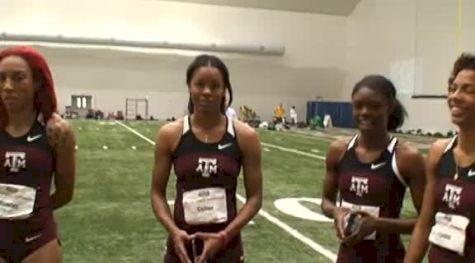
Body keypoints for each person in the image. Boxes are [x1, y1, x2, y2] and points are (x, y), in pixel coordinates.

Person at [151, 54, 263, 263]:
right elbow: (157, 193)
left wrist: (224, 236)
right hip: (182, 247)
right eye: (199, 84)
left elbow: (255, 198)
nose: (206, 92)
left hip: (227, 248)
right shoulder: (170, 134)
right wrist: (174, 232)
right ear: (189, 86)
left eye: (215, 85)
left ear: (224, 90)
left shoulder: (245, 137)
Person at [321, 75, 426, 263]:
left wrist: (378, 224)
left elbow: (426, 222)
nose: (364, 112)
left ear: (390, 107)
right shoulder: (338, 151)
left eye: (374, 106)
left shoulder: (407, 157)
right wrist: (336, 212)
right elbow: (326, 201)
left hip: (389, 257)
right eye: (358, 105)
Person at [0, 46, 76, 263]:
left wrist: (36, 211)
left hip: (38, 242)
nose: (7, 86)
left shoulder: (57, 131)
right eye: (1, 78)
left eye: (18, 78)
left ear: (37, 83)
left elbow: (65, 193)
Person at [405, 53, 475, 262]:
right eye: (453, 89)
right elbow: (425, 224)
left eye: (468, 90)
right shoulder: (439, 152)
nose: (455, 96)